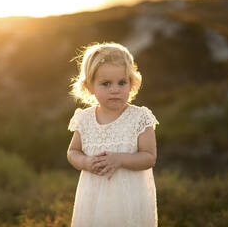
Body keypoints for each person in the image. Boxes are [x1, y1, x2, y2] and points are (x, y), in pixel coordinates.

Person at [66, 42, 159, 227]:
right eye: (106, 84)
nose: (115, 89)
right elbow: (72, 152)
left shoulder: (139, 117)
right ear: (90, 87)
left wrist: (120, 159)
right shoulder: (84, 119)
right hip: (93, 197)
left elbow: (149, 157)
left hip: (129, 199)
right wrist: (85, 162)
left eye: (122, 82)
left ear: (132, 84)